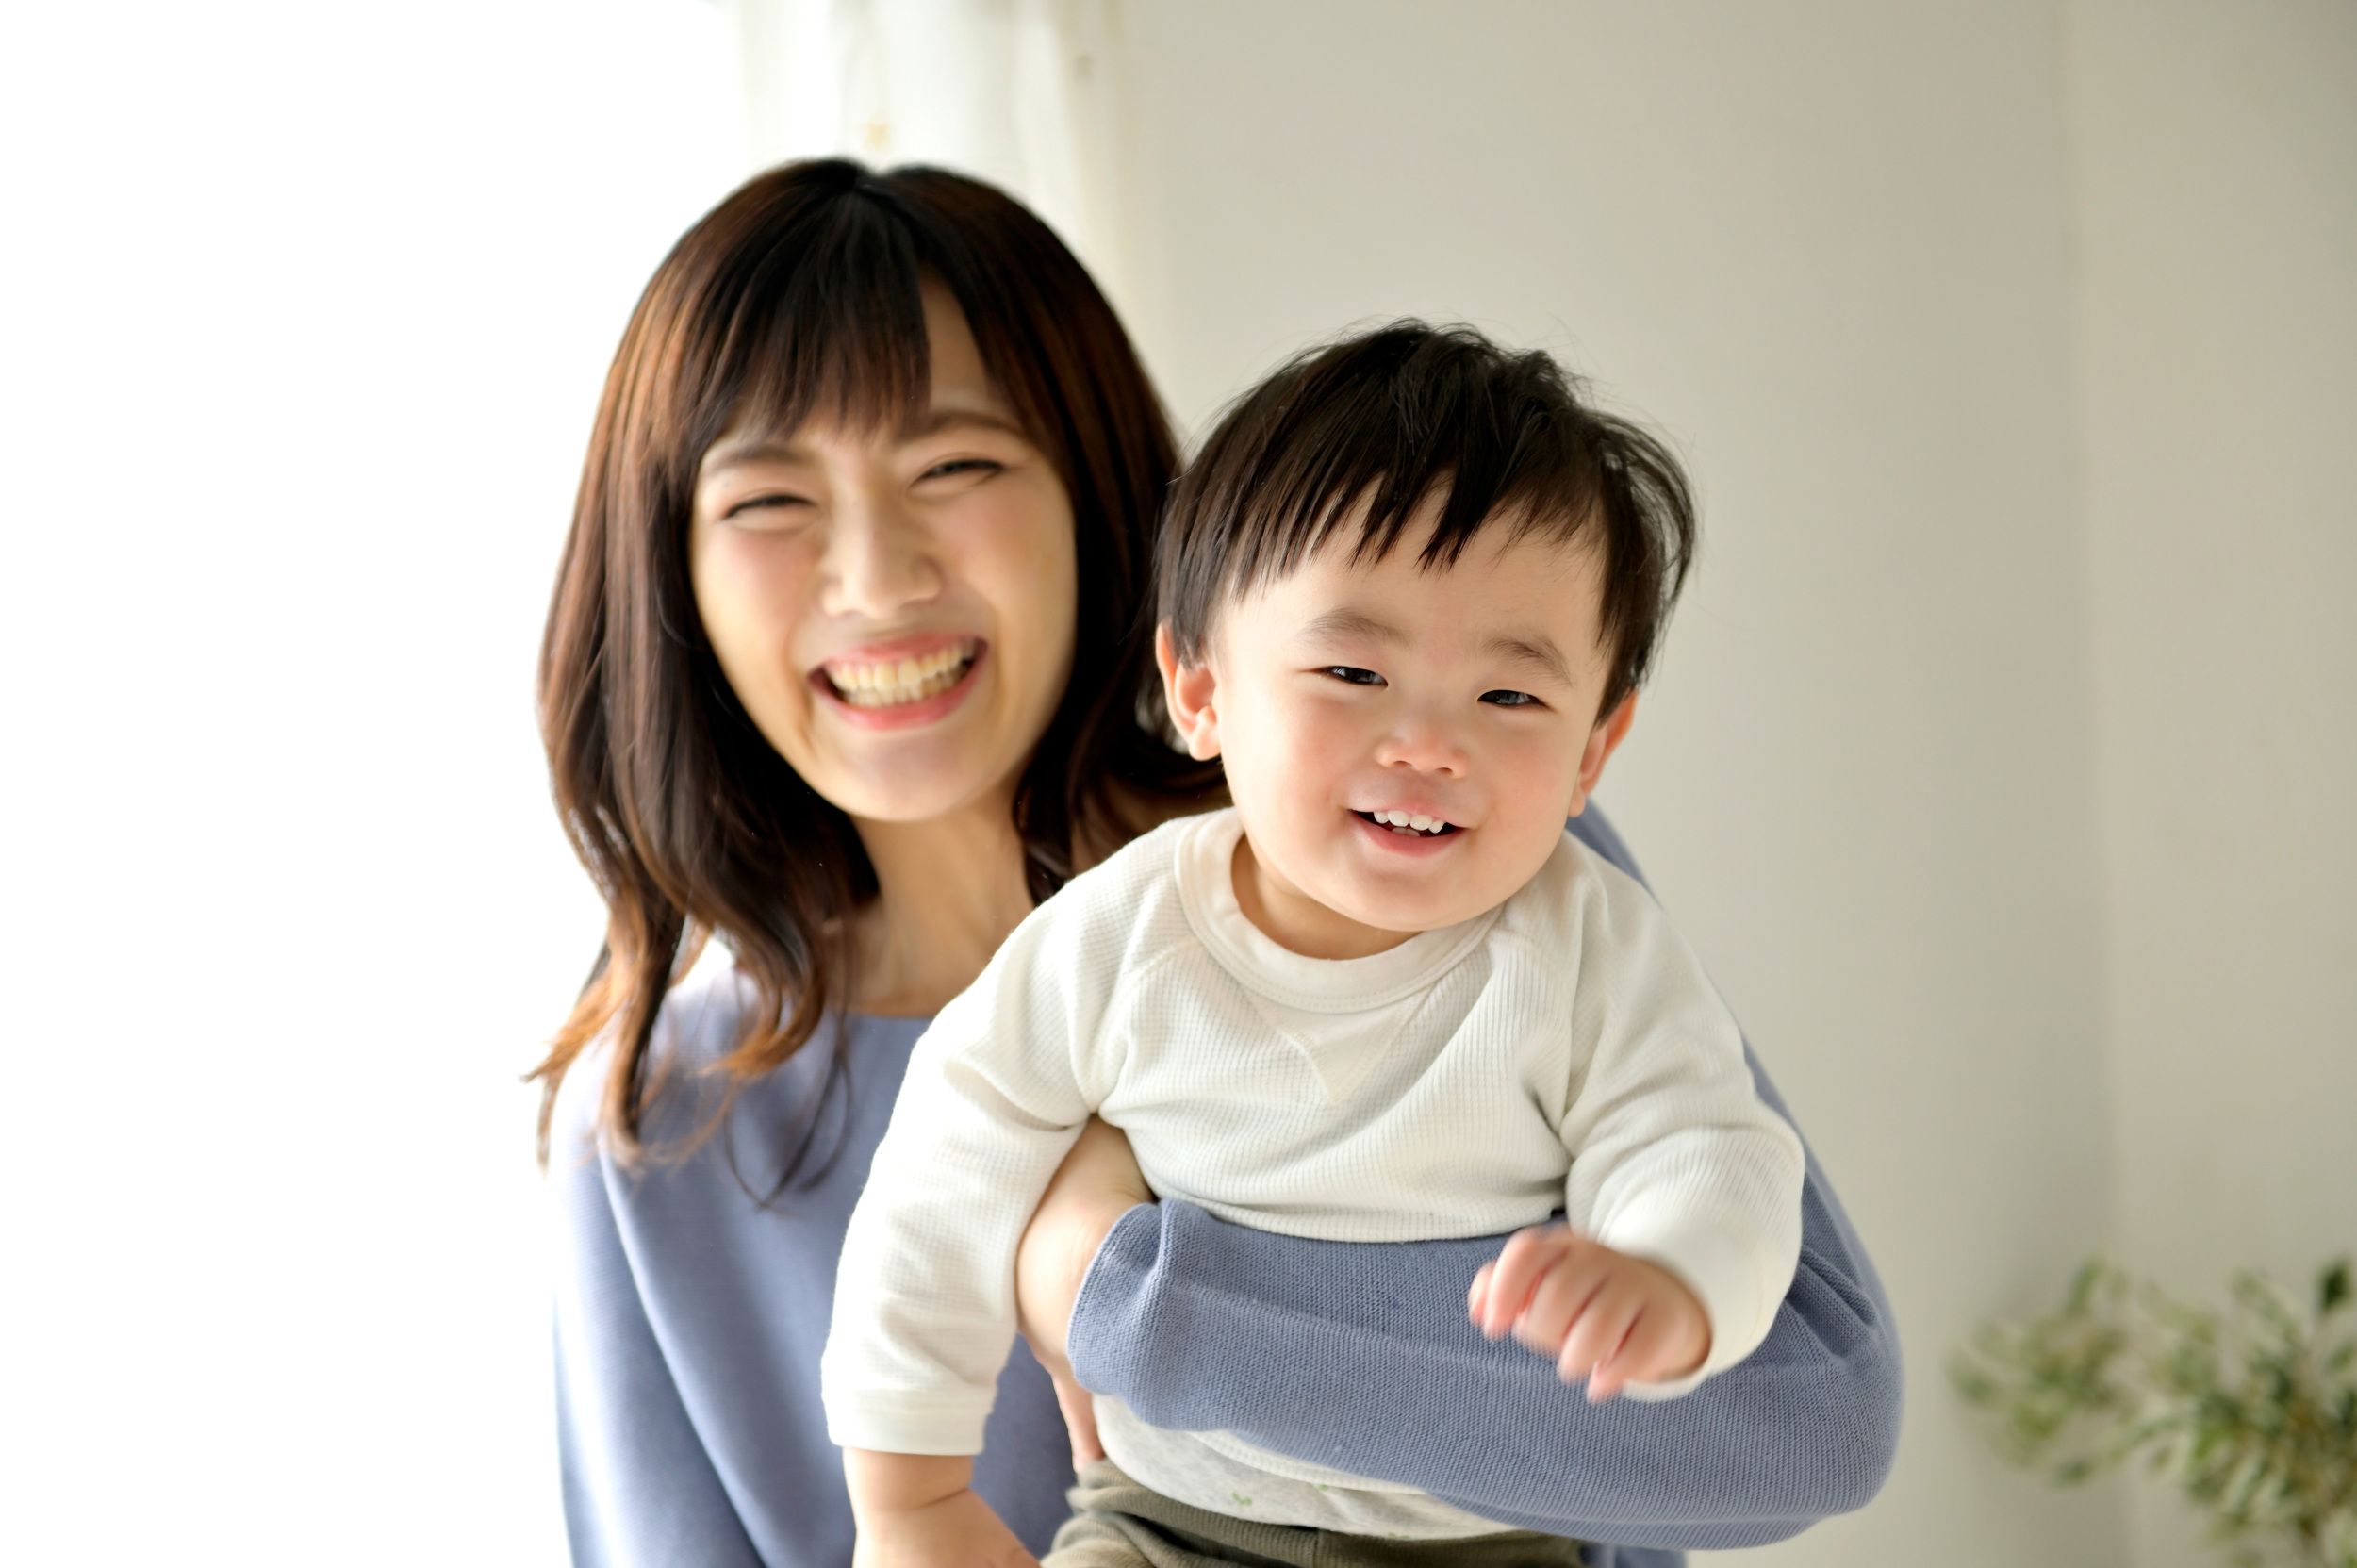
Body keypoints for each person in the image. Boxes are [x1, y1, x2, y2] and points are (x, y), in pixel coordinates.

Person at [537, 158, 1901, 1568]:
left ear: (1093, 494)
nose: (877, 578)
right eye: (767, 500)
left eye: (956, 466)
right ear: (672, 565)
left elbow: (1799, 1434)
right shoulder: (653, 1123)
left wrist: (1104, 1281)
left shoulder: (1453, 868)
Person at [823, 323, 1807, 1568]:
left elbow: (1704, 1143)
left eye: (1510, 696)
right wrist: (909, 1497)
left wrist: (1671, 1277)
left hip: (1488, 1548)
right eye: (1352, 670)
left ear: (1593, 752)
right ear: (1201, 690)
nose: (1429, 744)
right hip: (1169, 1530)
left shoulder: (1588, 947)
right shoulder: (1116, 941)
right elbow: (941, 1183)